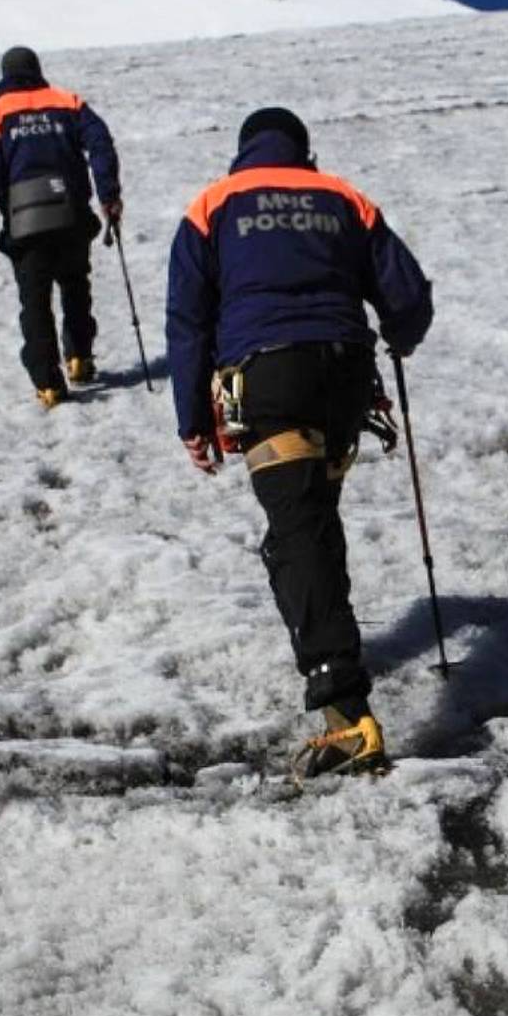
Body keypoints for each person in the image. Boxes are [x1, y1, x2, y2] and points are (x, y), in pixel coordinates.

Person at [166, 107, 432, 778]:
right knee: (310, 523)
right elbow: (409, 294)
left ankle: (346, 716)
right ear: (302, 151)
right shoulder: (344, 198)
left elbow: (188, 321)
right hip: (344, 375)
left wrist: (192, 418)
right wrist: (399, 333)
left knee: (297, 530)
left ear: (243, 150)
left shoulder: (212, 206)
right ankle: (336, 665)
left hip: (268, 376)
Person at [0, 46, 123, 407]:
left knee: (35, 303)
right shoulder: (67, 102)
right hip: (70, 214)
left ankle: (49, 382)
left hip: (25, 224)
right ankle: (80, 358)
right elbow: (101, 143)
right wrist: (108, 194)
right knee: (75, 287)